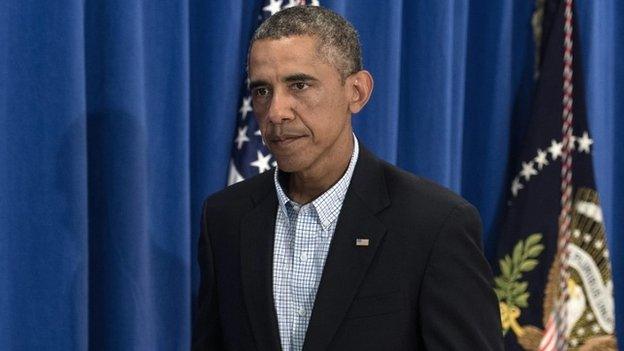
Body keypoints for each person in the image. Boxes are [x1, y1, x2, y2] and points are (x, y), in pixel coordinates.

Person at [193, 6, 503, 351]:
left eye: (299, 84)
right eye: (263, 90)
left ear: (356, 91)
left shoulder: (434, 225)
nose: (276, 112)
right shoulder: (225, 218)